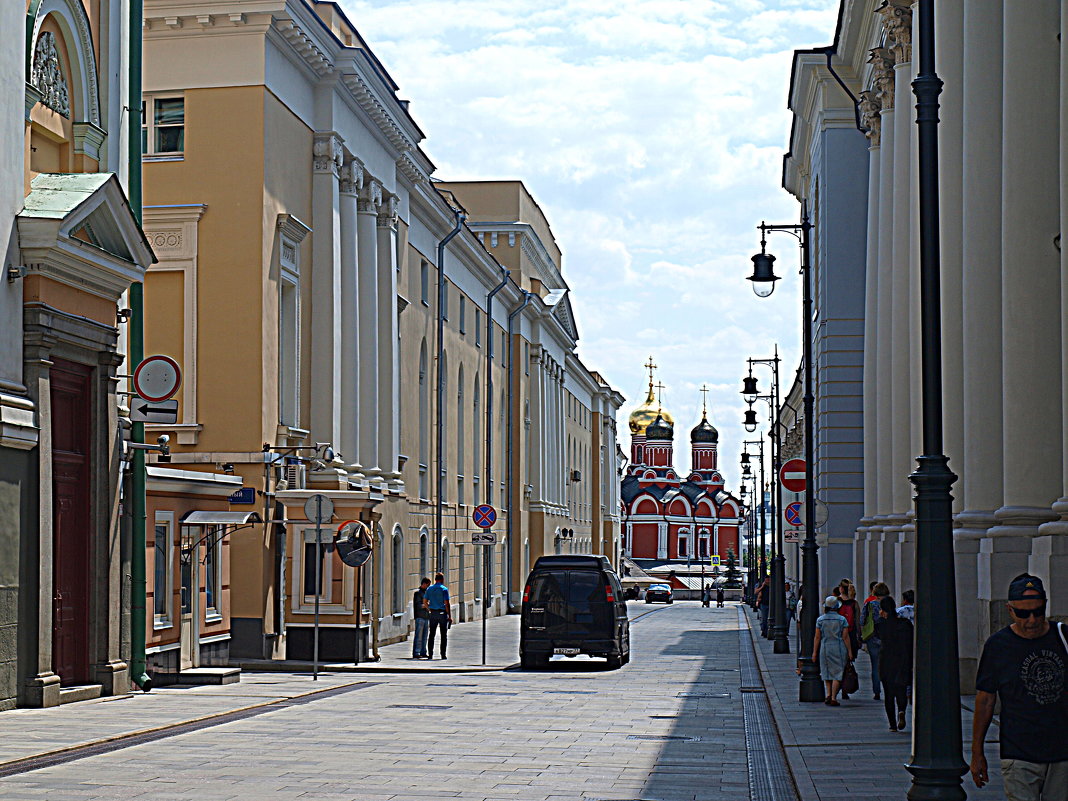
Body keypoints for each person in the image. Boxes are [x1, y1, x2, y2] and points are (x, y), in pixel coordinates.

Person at [971, 574, 1068, 800]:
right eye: (1023, 613)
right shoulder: (998, 645)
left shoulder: (1063, 637)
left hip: (1063, 752)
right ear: (1010, 610)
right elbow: (985, 700)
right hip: (1019, 752)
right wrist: (977, 753)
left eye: (1038, 612)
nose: (1032, 620)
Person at [875, 595, 913, 732]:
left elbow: (877, 635)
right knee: (901, 689)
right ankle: (901, 710)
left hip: (886, 662)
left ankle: (892, 724)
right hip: (902, 661)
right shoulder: (905, 624)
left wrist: (882, 617)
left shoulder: (881, 624)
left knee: (889, 694)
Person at [813, 595, 852, 706]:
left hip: (825, 647)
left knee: (826, 672)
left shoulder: (820, 620)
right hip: (839, 648)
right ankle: (834, 697)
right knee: (837, 673)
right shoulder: (842, 619)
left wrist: (814, 652)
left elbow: (817, 637)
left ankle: (828, 694)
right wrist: (850, 651)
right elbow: (845, 637)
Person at [860, 581, 891, 700]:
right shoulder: (889, 604)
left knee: (875, 666)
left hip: (872, 637)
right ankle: (888, 688)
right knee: (888, 665)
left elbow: (862, 621)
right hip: (886, 638)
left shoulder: (869, 604)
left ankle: (877, 691)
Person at [424, 572, 452, 660]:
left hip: (433, 613)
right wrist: (449, 615)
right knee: (443, 635)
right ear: (442, 579)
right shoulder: (444, 589)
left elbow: (425, 601)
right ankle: (443, 654)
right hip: (442, 613)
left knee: (431, 634)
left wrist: (429, 609)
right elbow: (447, 603)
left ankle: (430, 654)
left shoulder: (430, 589)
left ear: (435, 579)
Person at [411, 577, 431, 659]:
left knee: (425, 635)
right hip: (420, 616)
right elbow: (418, 605)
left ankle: (423, 651)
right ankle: (416, 652)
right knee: (418, 635)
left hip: (426, 616)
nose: (428, 586)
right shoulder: (418, 593)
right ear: (423, 584)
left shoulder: (426, 593)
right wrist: (427, 605)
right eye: (427, 585)